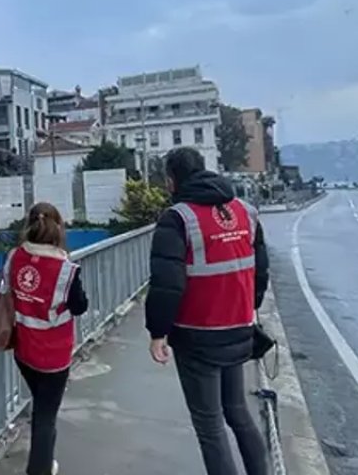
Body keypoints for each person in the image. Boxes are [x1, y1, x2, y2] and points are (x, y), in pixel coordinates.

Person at [146, 147, 269, 475]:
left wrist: (158, 332)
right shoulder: (245, 211)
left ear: (171, 181)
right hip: (240, 328)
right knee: (238, 412)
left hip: (198, 335)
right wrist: (249, 306)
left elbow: (166, 283)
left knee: (210, 427)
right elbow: (260, 269)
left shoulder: (177, 219)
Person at [0, 202, 88, 475]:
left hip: (23, 350)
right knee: (46, 416)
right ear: (58, 228)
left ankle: (46, 461)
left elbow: (5, 291)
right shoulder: (65, 268)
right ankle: (40, 468)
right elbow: (80, 306)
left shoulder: (15, 257)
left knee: (42, 408)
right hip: (53, 356)